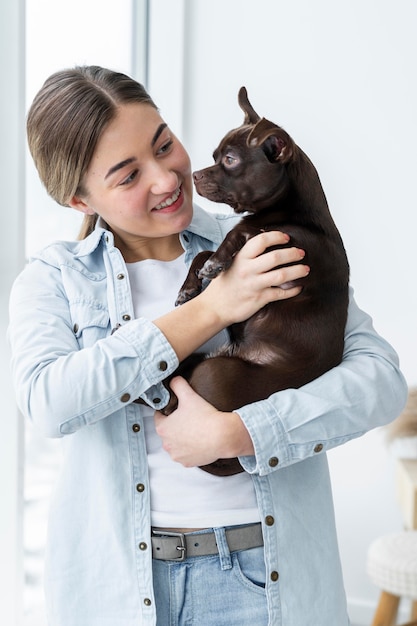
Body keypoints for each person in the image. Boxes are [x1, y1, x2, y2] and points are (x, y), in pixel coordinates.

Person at [8, 66, 407, 626]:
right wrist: (213, 307)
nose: (168, 179)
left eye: (164, 144)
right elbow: (49, 403)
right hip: (121, 592)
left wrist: (243, 433)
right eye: (127, 176)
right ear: (80, 200)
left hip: (265, 580)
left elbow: (381, 383)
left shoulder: (264, 242)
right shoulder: (54, 281)